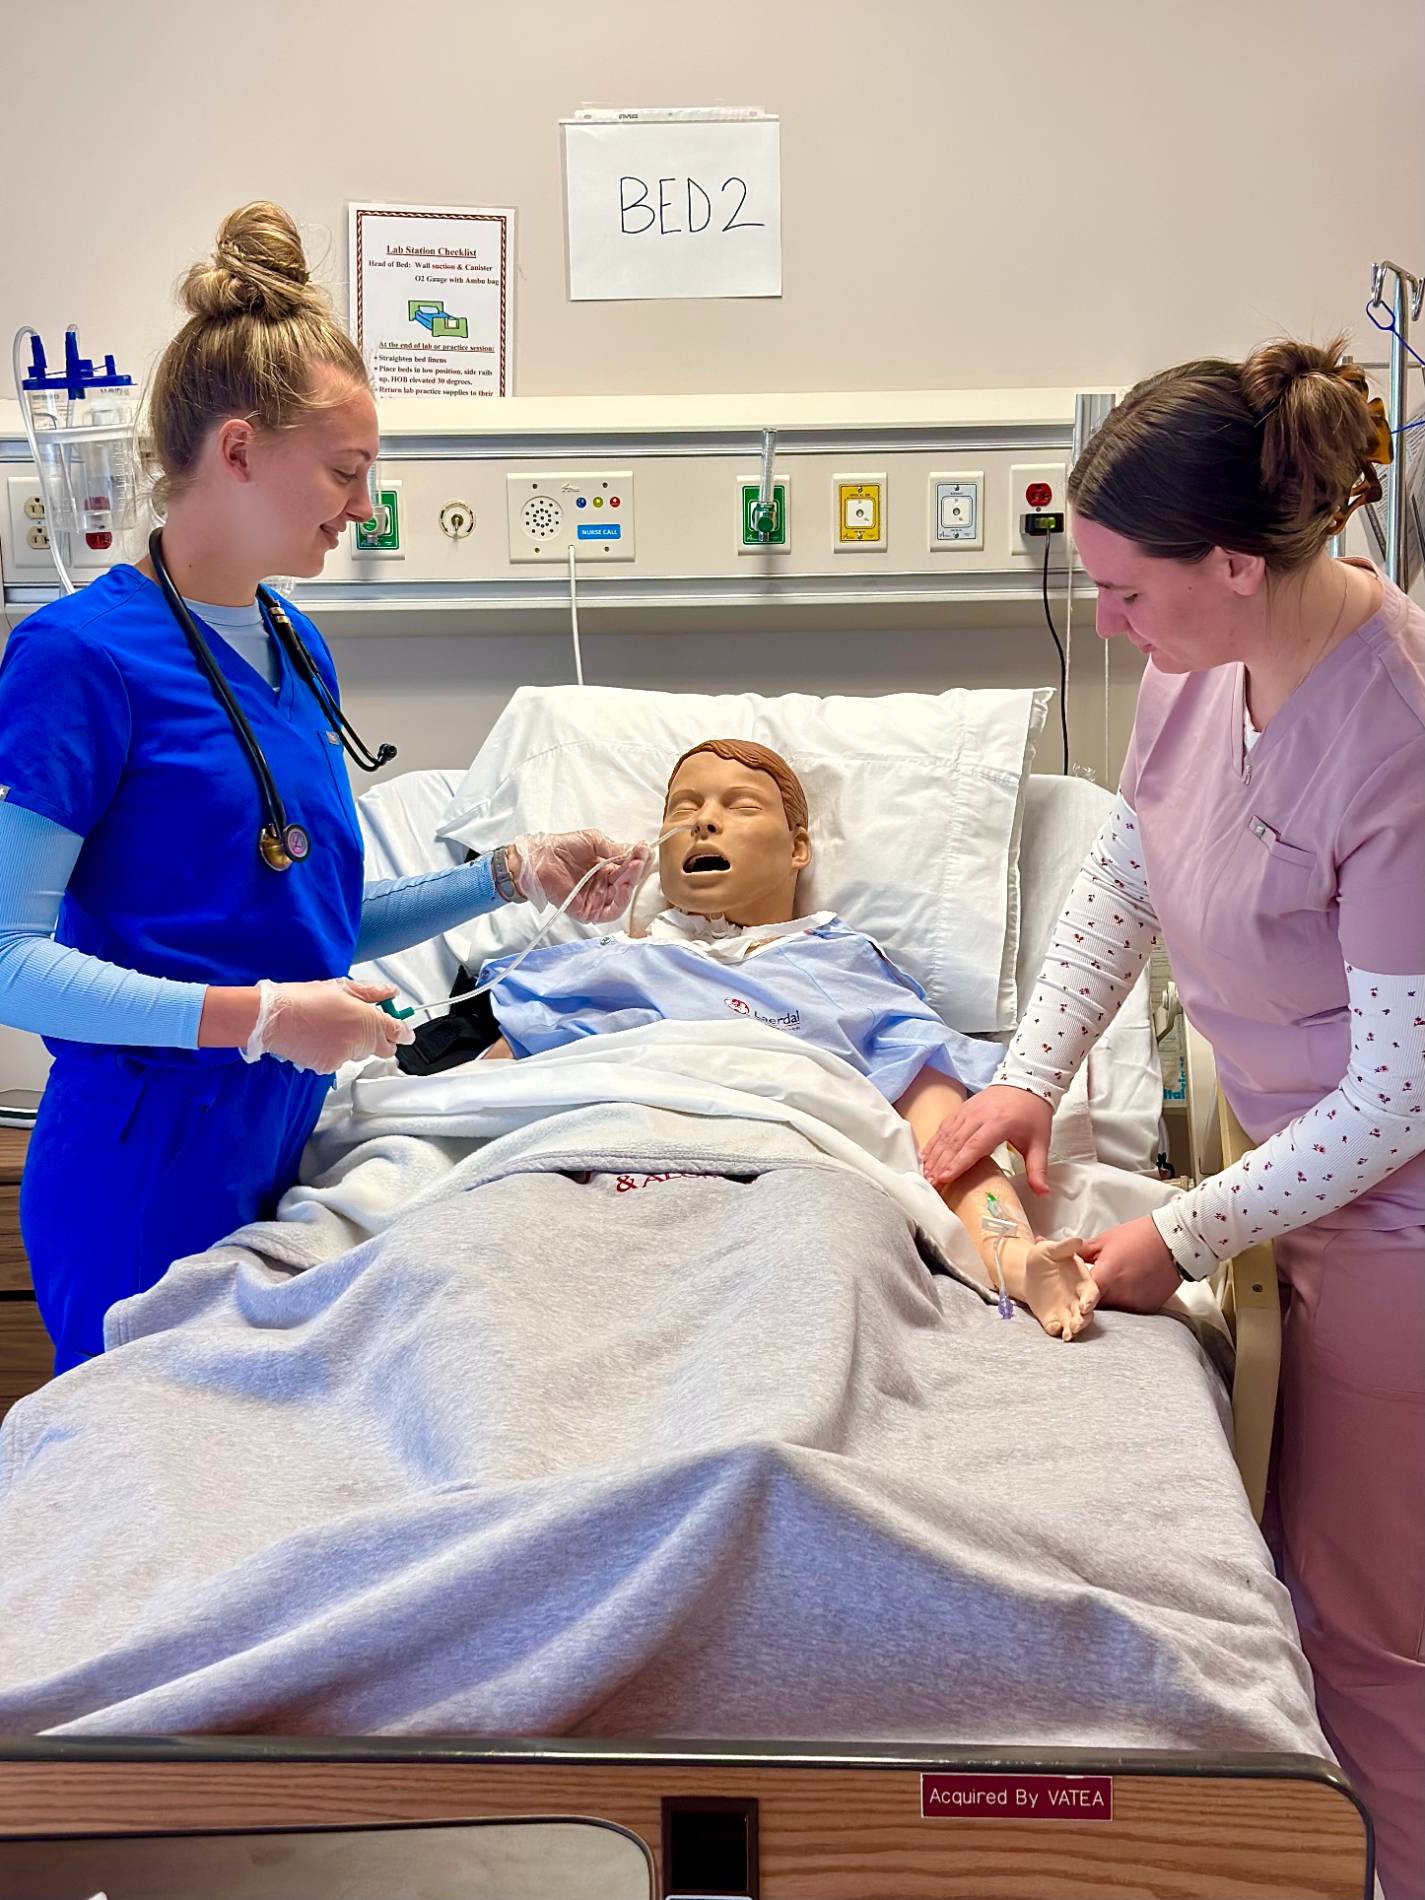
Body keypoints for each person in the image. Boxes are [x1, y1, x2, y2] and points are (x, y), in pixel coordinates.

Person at [919, 339, 1424, 1899]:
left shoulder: (1398, 729)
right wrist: (1029, 1072)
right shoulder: (1203, 661)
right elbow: (1132, 864)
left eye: (1127, 592)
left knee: (1366, 1636)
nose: (1105, 621)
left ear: (1234, 559)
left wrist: (1174, 1234)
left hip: (1394, 1218)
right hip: (1284, 1177)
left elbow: (1400, 1090)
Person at [0, 202, 645, 1375]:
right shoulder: (79, 662)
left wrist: (507, 875)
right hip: (142, 1172)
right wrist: (259, 1019)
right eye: (345, 472)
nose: (362, 506)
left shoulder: (295, 642)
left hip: (282, 1146)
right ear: (238, 449)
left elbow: (303, 919)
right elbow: (7, 958)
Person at [480, 737, 1099, 1339]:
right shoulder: (592, 968)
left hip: (784, 1187)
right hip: (588, 1178)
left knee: (811, 1260)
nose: (704, 824)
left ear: (799, 847)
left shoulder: (843, 970)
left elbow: (943, 1130)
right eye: (684, 810)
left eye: (740, 806)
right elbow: (478, 1095)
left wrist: (1012, 1255)